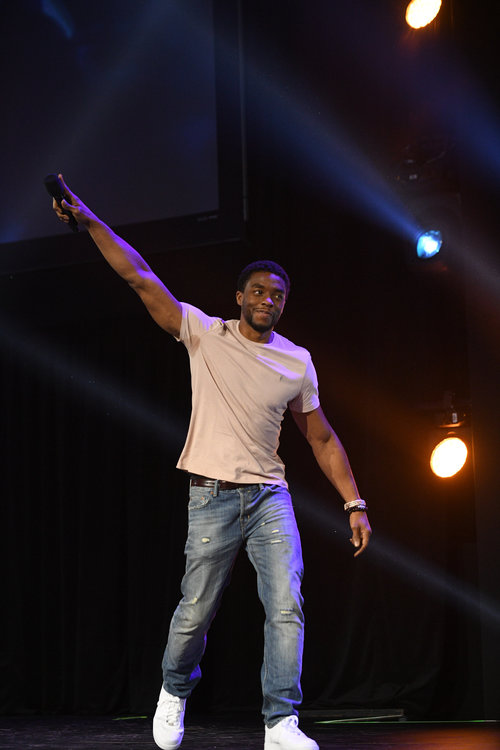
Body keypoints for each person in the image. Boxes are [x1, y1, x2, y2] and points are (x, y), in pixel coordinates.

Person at [51, 175, 372, 750]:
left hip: (270, 497)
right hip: (211, 495)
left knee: (287, 606)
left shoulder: (297, 362)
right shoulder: (205, 333)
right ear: (240, 296)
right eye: (258, 291)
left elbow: (322, 438)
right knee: (196, 608)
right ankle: (173, 693)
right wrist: (90, 220)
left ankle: (280, 723)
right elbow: (139, 275)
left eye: (277, 295)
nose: (268, 300)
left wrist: (354, 502)